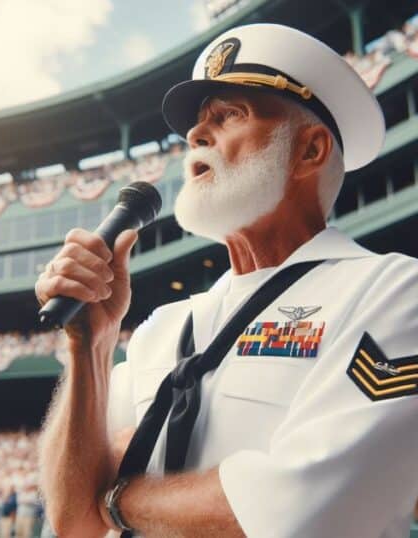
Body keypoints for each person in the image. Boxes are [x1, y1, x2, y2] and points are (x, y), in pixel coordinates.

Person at [36, 24, 418, 537]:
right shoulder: (160, 329)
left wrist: (120, 496)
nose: (196, 134)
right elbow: (71, 520)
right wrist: (92, 347)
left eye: (229, 114)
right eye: (198, 123)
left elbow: (311, 512)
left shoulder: (392, 292)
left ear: (310, 151)